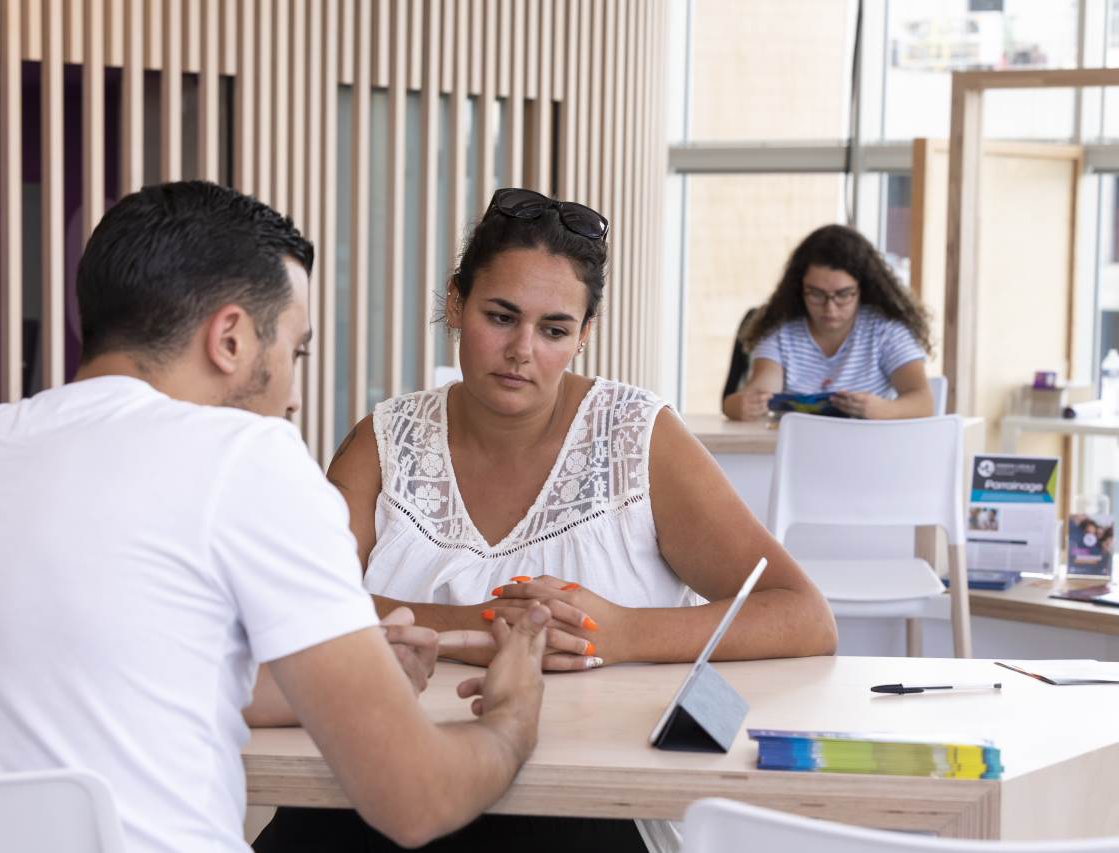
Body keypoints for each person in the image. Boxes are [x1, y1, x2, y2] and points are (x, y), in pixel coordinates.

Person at [0, 181, 550, 853]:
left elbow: (117, 671)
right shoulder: (246, 457)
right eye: (294, 349)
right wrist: (513, 720)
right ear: (230, 338)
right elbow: (416, 798)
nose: (292, 392)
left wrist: (348, 682)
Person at [295, 187, 836, 852]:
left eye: (553, 329)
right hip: (383, 775)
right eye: (501, 316)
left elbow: (804, 614)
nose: (523, 349)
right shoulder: (386, 438)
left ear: (584, 335)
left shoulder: (637, 436)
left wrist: (621, 633)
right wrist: (489, 627)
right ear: (456, 303)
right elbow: (306, 601)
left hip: (583, 805)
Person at [722, 224, 935, 421]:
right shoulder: (780, 330)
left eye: (843, 294)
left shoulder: (886, 330)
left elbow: (923, 402)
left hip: (870, 451)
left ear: (863, 288)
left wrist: (882, 410)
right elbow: (760, 391)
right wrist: (740, 405)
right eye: (816, 294)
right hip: (800, 453)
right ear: (799, 289)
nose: (829, 308)